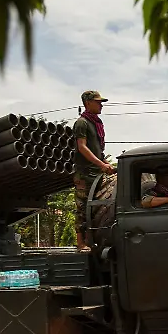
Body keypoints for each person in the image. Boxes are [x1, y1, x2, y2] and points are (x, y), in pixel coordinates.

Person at [73, 90, 116, 252]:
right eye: (98, 102)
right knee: (82, 208)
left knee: (96, 208)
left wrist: (106, 164)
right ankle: (80, 243)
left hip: (96, 172)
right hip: (85, 173)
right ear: (88, 103)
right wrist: (101, 164)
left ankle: (91, 240)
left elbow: (98, 150)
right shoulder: (82, 123)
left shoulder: (96, 123)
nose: (101, 105)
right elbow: (82, 147)